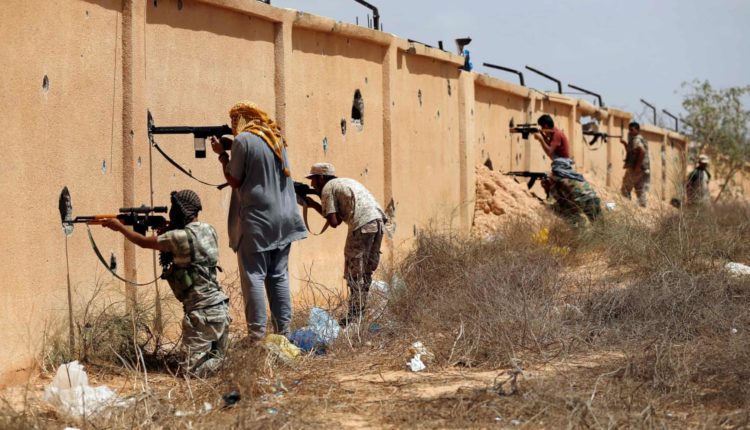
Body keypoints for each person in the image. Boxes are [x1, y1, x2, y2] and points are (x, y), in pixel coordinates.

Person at [102, 190, 230, 377]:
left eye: (174, 209)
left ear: (181, 211)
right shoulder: (209, 230)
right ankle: (226, 364)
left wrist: (120, 227)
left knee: (191, 373)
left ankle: (229, 367)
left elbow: (144, 242)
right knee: (216, 358)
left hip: (202, 314)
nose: (171, 212)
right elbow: (191, 249)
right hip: (220, 308)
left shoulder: (178, 237)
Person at [210, 101, 307, 339]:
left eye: (235, 120)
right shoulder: (275, 137)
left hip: (259, 220)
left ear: (242, 119)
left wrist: (222, 155)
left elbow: (234, 179)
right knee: (278, 276)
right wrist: (233, 146)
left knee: (254, 276)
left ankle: (257, 336)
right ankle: (283, 333)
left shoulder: (243, 140)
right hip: (285, 219)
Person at [299, 163, 386, 326]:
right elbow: (338, 219)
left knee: (354, 270)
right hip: (378, 221)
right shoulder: (343, 182)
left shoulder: (328, 188)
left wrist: (313, 204)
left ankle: (354, 316)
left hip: (362, 224)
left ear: (321, 178)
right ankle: (360, 313)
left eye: (313, 179)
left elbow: (333, 222)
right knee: (365, 270)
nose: (312, 184)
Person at [542, 159, 602, 226]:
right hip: (594, 200)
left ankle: (579, 225)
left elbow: (556, 200)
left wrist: (547, 188)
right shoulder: (575, 176)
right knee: (600, 225)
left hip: (580, 203)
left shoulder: (558, 181)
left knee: (556, 207)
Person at [619, 121, 650, 207]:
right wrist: (625, 144)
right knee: (640, 189)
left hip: (636, 168)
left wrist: (637, 167)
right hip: (642, 169)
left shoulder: (636, 139)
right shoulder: (638, 138)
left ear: (637, 130)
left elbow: (642, 152)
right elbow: (631, 152)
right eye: (629, 129)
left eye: (632, 130)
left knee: (625, 189)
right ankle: (643, 208)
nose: (630, 131)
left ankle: (626, 207)